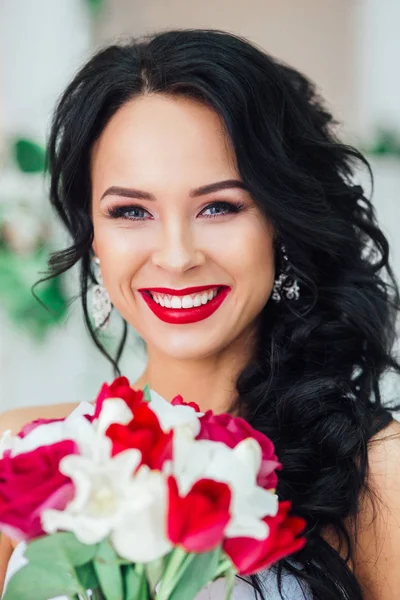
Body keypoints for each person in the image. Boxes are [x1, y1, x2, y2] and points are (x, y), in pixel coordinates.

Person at [1, 27, 400, 600]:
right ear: (92, 237)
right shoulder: (23, 456)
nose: (177, 256)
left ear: (280, 224)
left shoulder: (375, 475)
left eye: (219, 206)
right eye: (131, 211)